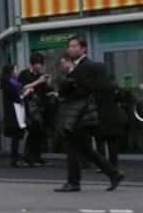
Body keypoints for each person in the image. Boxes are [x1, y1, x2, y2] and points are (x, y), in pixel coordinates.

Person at [53, 37, 125, 192]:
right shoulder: (80, 67)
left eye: (74, 46)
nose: (70, 49)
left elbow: (85, 89)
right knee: (86, 149)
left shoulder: (87, 67)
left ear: (83, 49)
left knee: (72, 146)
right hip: (82, 115)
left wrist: (67, 87)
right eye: (69, 46)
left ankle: (73, 182)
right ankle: (114, 173)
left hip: (81, 114)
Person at [18, 53, 51, 167]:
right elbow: (21, 87)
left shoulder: (41, 75)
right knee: (33, 131)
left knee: (40, 132)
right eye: (38, 64)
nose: (39, 66)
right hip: (29, 107)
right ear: (32, 64)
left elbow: (46, 89)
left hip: (40, 106)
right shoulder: (24, 74)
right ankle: (28, 157)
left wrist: (46, 82)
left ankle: (37, 156)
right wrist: (38, 81)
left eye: (41, 64)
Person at [94, 80, 128, 171]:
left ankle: (103, 165)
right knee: (113, 143)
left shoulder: (96, 89)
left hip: (100, 116)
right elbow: (122, 98)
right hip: (114, 116)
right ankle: (114, 165)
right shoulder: (115, 88)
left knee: (100, 143)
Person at [0, 63, 27, 167]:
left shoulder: (13, 82)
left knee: (17, 135)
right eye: (15, 69)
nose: (17, 71)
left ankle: (15, 157)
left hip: (17, 110)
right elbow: (16, 96)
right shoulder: (8, 82)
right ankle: (14, 159)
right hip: (13, 111)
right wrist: (25, 94)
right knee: (15, 135)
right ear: (10, 71)